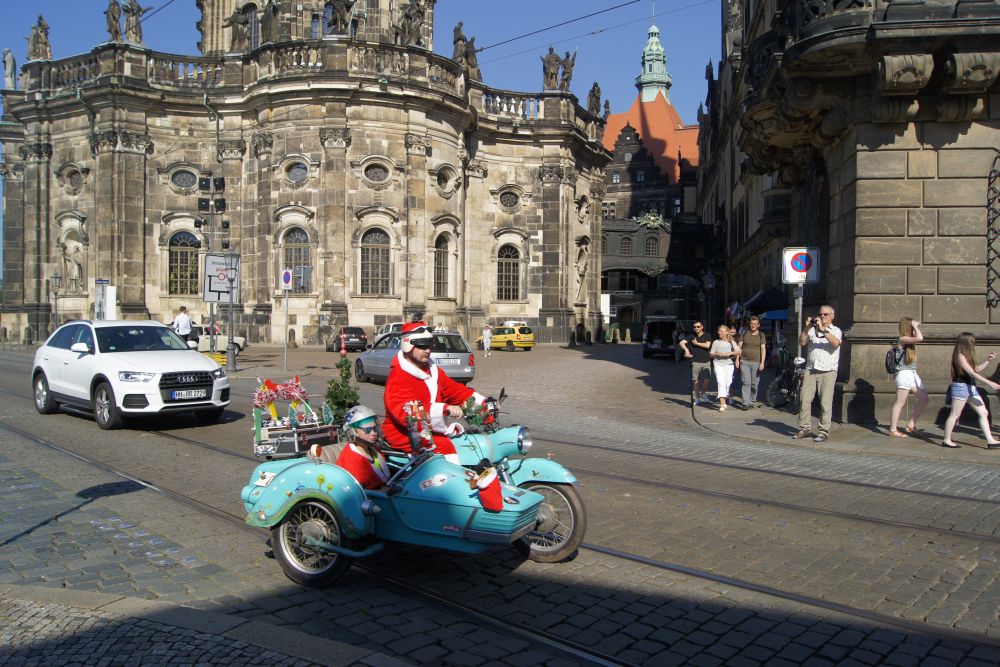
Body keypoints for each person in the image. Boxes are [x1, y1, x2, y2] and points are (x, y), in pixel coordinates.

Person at [382, 322, 487, 463]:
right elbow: (406, 411)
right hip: (403, 434)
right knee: (444, 446)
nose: (427, 350)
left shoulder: (432, 370)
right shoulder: (398, 375)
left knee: (467, 441)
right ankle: (451, 477)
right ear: (408, 345)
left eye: (429, 345)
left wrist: (484, 404)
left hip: (427, 429)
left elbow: (455, 391)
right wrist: (445, 408)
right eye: (422, 346)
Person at [942, 333, 1000, 449]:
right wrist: (990, 383)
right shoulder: (960, 356)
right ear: (966, 343)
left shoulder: (966, 356)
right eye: (973, 342)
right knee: (955, 414)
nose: (974, 344)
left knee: (983, 412)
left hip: (970, 388)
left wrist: (988, 360)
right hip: (961, 387)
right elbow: (972, 373)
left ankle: (990, 440)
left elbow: (976, 370)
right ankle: (946, 440)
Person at [794, 305, 842, 443]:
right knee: (804, 399)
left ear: (832, 316)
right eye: (820, 314)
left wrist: (823, 330)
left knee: (825, 402)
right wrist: (807, 327)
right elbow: (802, 342)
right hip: (811, 369)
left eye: (825, 314)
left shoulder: (836, 330)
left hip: (828, 370)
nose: (822, 316)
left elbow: (835, 343)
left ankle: (823, 431)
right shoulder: (812, 330)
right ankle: (805, 429)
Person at [888, 317, 930, 438]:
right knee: (900, 402)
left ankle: (911, 425)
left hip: (912, 374)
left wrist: (915, 327)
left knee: (924, 399)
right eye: (911, 327)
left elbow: (917, 338)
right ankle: (893, 429)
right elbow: (920, 338)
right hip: (904, 374)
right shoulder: (902, 339)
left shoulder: (909, 342)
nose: (914, 329)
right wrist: (915, 327)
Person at [335, 405, 392, 489]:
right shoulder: (352, 459)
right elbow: (359, 490)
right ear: (352, 432)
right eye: (367, 430)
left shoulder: (371, 447)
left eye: (375, 428)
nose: (373, 433)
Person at [679, 321, 712, 406]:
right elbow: (681, 343)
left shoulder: (707, 335)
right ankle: (697, 399)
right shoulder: (691, 336)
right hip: (695, 361)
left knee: (707, 379)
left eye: (698, 326)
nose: (696, 328)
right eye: (694, 327)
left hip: (706, 361)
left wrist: (696, 343)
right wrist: (686, 350)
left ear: (702, 327)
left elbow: (707, 345)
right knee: (696, 381)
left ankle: (703, 393)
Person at [738, 315, 766, 410]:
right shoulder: (744, 333)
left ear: (758, 325)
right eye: (752, 323)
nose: (753, 325)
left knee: (754, 384)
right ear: (749, 324)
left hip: (756, 362)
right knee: (746, 382)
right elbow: (739, 347)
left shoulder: (761, 335)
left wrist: (762, 362)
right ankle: (745, 403)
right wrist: (737, 359)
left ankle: (752, 400)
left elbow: (763, 349)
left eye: (755, 324)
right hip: (744, 361)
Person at [710, 324, 740, 412]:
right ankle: (722, 404)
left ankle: (726, 396)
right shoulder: (716, 342)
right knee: (720, 382)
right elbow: (711, 354)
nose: (720, 333)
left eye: (722, 331)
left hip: (729, 365)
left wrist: (729, 353)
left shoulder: (731, 342)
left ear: (727, 332)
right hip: (718, 364)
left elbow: (738, 351)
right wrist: (717, 354)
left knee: (728, 383)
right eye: (719, 331)